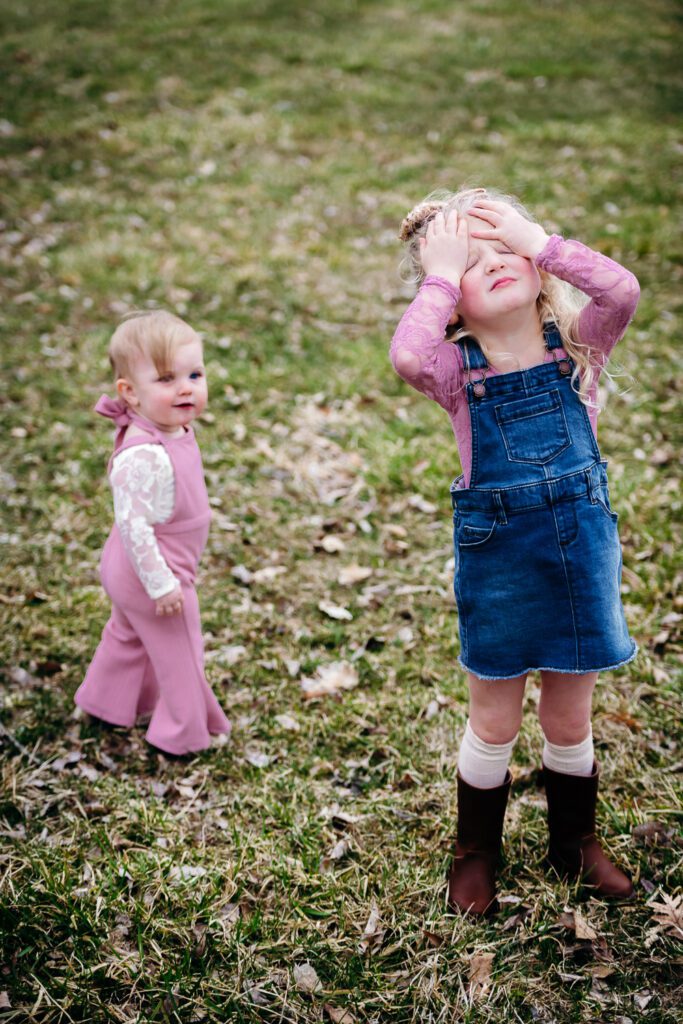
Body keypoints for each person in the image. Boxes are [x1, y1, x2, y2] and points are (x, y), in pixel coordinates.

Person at [391, 187, 639, 916]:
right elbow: (407, 352)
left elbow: (621, 290)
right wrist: (439, 274)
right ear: (452, 304)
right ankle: (475, 852)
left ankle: (575, 843)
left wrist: (540, 241)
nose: (496, 263)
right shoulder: (455, 373)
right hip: (499, 565)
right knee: (494, 720)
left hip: (580, 561)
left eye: (506, 249)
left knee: (568, 719)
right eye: (471, 262)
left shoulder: (581, 349)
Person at [75, 310, 231, 756]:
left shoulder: (172, 430)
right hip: (151, 569)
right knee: (181, 651)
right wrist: (161, 584)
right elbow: (134, 527)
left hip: (136, 565)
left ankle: (104, 704)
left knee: (127, 635)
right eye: (166, 379)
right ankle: (183, 734)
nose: (185, 388)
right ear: (130, 393)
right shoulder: (144, 455)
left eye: (195, 374)